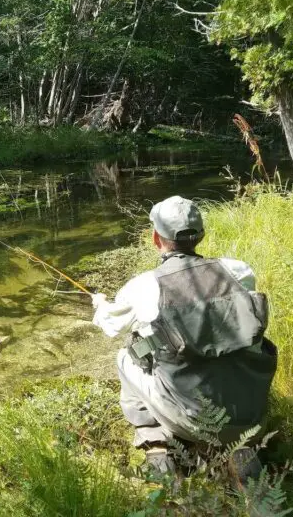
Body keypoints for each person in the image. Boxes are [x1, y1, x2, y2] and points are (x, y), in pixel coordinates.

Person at [91, 196, 277, 476]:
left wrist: (101, 304)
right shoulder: (239, 271)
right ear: (200, 235)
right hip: (251, 414)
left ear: (156, 238)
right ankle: (240, 451)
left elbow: (111, 326)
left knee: (127, 354)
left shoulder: (144, 286)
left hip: (190, 422)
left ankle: (153, 438)